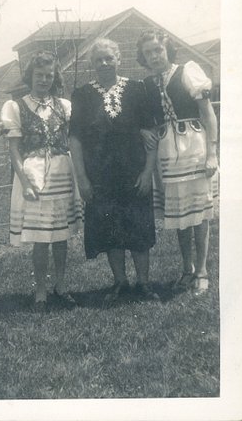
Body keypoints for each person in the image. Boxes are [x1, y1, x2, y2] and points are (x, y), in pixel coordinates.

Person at [69, 38, 159, 303]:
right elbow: (75, 139)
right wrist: (82, 179)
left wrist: (147, 172)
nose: (104, 63)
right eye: (99, 60)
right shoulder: (82, 95)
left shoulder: (136, 89)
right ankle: (120, 282)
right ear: (92, 64)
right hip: (100, 176)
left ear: (118, 59)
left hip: (134, 173)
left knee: (139, 229)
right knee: (111, 231)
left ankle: (143, 283)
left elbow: (152, 135)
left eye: (109, 58)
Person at [136, 29, 218, 295]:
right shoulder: (147, 84)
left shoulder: (187, 71)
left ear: (167, 50)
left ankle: (202, 271)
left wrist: (212, 152)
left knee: (199, 214)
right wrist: (143, 130)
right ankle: (187, 269)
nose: (154, 56)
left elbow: (208, 114)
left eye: (158, 50)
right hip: (168, 153)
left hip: (194, 145)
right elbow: (144, 119)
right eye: (148, 52)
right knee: (181, 214)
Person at [1, 51, 83, 312]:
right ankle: (40, 290)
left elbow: (73, 141)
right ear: (30, 76)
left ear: (54, 77)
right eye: (39, 75)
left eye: (49, 75)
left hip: (62, 173)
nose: (44, 80)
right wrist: (24, 182)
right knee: (40, 237)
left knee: (60, 235)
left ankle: (60, 285)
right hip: (34, 176)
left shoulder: (64, 105)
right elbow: (14, 150)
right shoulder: (16, 106)